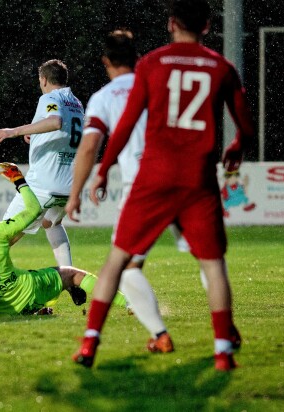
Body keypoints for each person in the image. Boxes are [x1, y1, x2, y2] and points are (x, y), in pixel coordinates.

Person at [71, 0, 254, 371]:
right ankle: (223, 349)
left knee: (118, 261)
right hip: (197, 179)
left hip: (152, 178)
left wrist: (104, 169)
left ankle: (91, 343)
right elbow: (245, 125)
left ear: (171, 24)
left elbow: (124, 125)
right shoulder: (222, 67)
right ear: (207, 26)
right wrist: (238, 145)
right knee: (213, 264)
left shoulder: (152, 65)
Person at [66, 29, 186, 355]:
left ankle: (156, 335)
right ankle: (225, 338)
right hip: (184, 181)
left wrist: (76, 192)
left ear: (105, 60)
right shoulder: (159, 86)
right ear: (137, 56)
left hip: (143, 188)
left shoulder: (105, 97)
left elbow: (91, 146)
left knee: (124, 265)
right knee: (210, 261)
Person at [0, 163, 125, 318]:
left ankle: (12, 309)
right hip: (28, 292)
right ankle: (128, 303)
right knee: (72, 275)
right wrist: (19, 180)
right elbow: (33, 210)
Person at [0, 59, 83, 268]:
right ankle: (69, 278)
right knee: (51, 223)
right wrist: (36, 136)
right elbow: (67, 131)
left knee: (1, 236)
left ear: (43, 79)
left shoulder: (49, 98)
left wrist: (12, 131)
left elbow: (54, 121)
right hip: (68, 183)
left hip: (43, 184)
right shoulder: (75, 102)